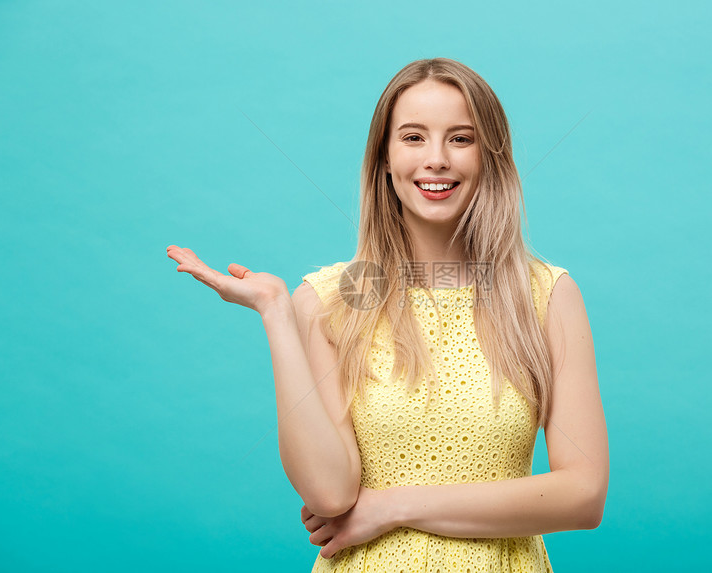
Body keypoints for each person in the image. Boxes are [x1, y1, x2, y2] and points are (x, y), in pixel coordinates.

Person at [166, 57, 608, 572]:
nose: (436, 159)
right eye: (414, 137)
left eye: (461, 139)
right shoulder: (330, 298)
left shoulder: (547, 296)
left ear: (491, 158)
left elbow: (584, 494)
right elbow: (330, 493)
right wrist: (277, 315)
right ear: (385, 159)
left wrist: (394, 507)